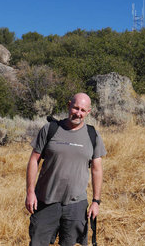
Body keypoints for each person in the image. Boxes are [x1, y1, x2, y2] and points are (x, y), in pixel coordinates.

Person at [25, 93, 106, 246]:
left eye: (83, 110)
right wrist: (30, 192)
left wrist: (96, 201)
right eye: (75, 108)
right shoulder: (50, 129)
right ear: (69, 105)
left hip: (76, 205)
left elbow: (97, 169)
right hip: (45, 201)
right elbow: (33, 160)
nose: (78, 113)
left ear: (88, 112)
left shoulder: (92, 135)